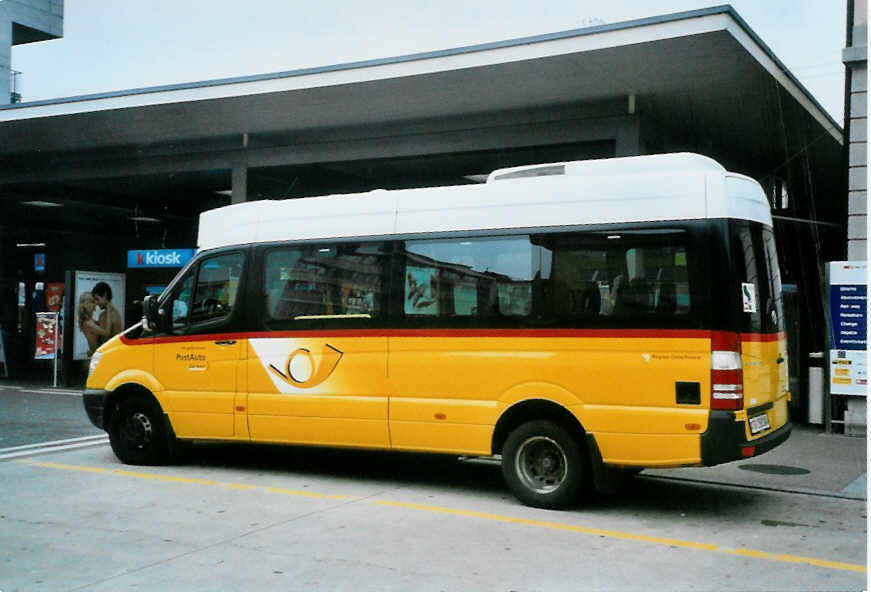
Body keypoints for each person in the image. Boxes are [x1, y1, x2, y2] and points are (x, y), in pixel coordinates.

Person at [77, 292, 108, 357]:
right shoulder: (88, 323)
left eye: (92, 302)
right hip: (97, 356)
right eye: (88, 302)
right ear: (83, 305)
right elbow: (107, 333)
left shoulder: (91, 321)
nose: (91, 305)